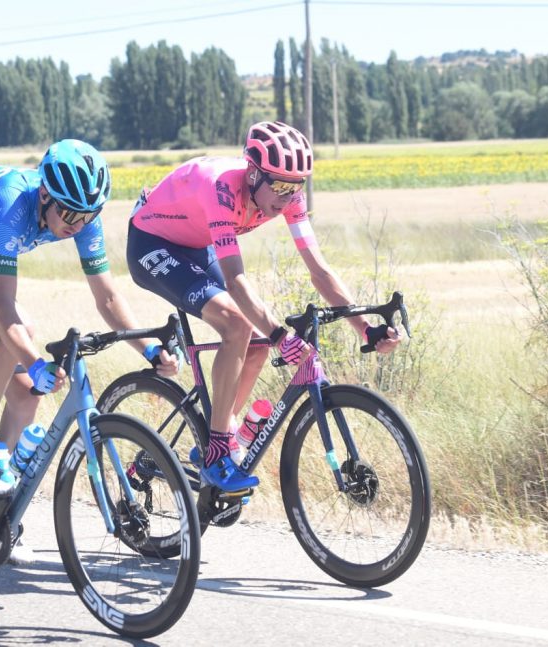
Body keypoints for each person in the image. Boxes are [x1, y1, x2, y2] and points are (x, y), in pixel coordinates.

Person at [125, 120, 401, 492]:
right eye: (281, 186)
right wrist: (280, 336)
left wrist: (365, 327)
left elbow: (319, 270)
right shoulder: (221, 188)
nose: (287, 197)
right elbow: (236, 280)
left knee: (255, 344)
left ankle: (218, 433)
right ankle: (217, 451)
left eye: (296, 186)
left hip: (195, 244)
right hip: (151, 242)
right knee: (237, 325)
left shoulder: (289, 195)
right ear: (254, 174)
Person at [0, 139, 178, 499]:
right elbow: (2, 305)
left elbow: (108, 297)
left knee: (25, 395)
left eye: (89, 215)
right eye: (71, 215)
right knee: (19, 332)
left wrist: (150, 349)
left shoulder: (80, 215)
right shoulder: (10, 202)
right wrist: (35, 364)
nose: (79, 225)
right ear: (45, 195)